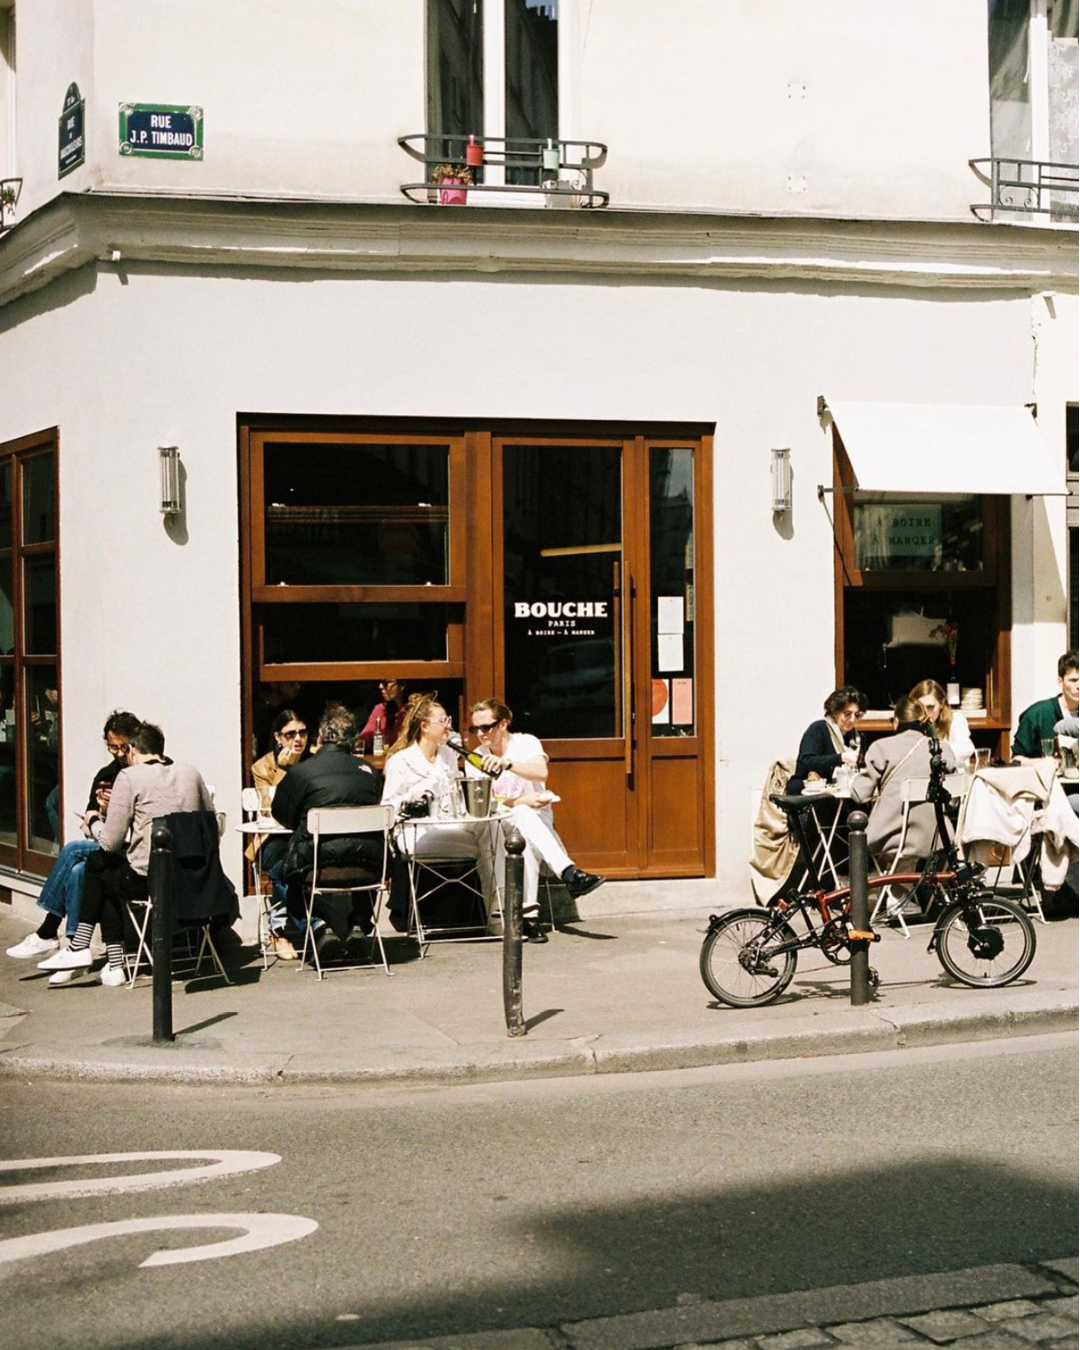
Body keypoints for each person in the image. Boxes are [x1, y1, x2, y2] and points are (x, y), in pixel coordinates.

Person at [38, 722, 216, 987]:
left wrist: (93, 821)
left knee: (100, 864)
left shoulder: (129, 778)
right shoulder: (191, 773)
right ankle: (105, 960)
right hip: (193, 878)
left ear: (132, 749)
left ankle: (87, 949)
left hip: (152, 880)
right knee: (105, 868)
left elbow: (110, 842)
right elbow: (210, 821)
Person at [5, 710, 141, 977]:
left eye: (120, 746)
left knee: (72, 850)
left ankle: (50, 932)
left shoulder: (144, 772)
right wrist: (101, 812)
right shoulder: (107, 775)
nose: (115, 752)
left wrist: (116, 808)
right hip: (110, 845)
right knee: (80, 868)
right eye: (110, 746)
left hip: (133, 849)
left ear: (134, 743)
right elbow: (90, 825)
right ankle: (74, 950)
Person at [466, 698, 605, 942]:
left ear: (503, 724)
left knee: (524, 832)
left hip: (535, 821)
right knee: (521, 816)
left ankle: (527, 916)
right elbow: (489, 802)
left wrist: (507, 763)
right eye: (474, 729)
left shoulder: (526, 742)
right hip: (500, 822)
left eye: (485, 727)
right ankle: (569, 873)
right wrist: (522, 802)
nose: (480, 734)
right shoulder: (476, 758)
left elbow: (541, 772)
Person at [271, 707, 385, 966]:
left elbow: (282, 816)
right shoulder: (370, 773)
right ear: (354, 741)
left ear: (320, 738)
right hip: (368, 868)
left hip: (316, 866)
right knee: (362, 850)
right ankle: (358, 924)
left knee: (281, 871)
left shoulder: (302, 772)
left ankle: (319, 927)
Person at [381, 695, 497, 931]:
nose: (449, 725)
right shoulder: (400, 761)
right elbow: (388, 808)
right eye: (443, 720)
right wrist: (413, 796)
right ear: (424, 726)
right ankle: (494, 915)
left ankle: (496, 910)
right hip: (416, 831)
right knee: (485, 843)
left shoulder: (448, 755)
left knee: (492, 828)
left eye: (448, 719)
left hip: (448, 822)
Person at [850, 696, 956, 917]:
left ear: (896, 721)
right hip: (938, 837)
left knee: (858, 838)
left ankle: (892, 897)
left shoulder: (882, 748)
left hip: (895, 836)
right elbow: (953, 798)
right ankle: (900, 897)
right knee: (903, 851)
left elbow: (859, 794)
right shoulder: (943, 749)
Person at [247, 709, 311, 960]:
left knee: (296, 864)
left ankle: (305, 926)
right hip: (274, 837)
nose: (298, 739)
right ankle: (281, 932)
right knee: (284, 867)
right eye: (290, 734)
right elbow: (270, 808)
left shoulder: (315, 761)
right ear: (278, 737)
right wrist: (287, 769)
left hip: (305, 836)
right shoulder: (262, 767)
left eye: (302, 732)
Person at [787, 686, 867, 795]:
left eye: (857, 715)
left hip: (837, 793)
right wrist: (840, 757)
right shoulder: (818, 729)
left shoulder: (853, 736)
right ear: (835, 713)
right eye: (847, 714)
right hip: (809, 795)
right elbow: (806, 761)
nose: (852, 720)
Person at [1012, 651, 1079, 759]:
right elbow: (1017, 759)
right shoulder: (1036, 715)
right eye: (1073, 680)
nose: (1078, 686)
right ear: (1060, 681)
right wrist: (1044, 764)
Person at [909, 679, 975, 764]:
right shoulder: (913, 724)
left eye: (930, 707)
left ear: (942, 703)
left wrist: (937, 759)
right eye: (920, 708)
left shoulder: (955, 720)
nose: (925, 713)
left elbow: (966, 749)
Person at [357, 678, 409, 753]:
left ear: (403, 685)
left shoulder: (414, 710)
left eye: (387, 682)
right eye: (381, 682)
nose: (380, 686)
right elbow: (364, 739)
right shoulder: (380, 709)